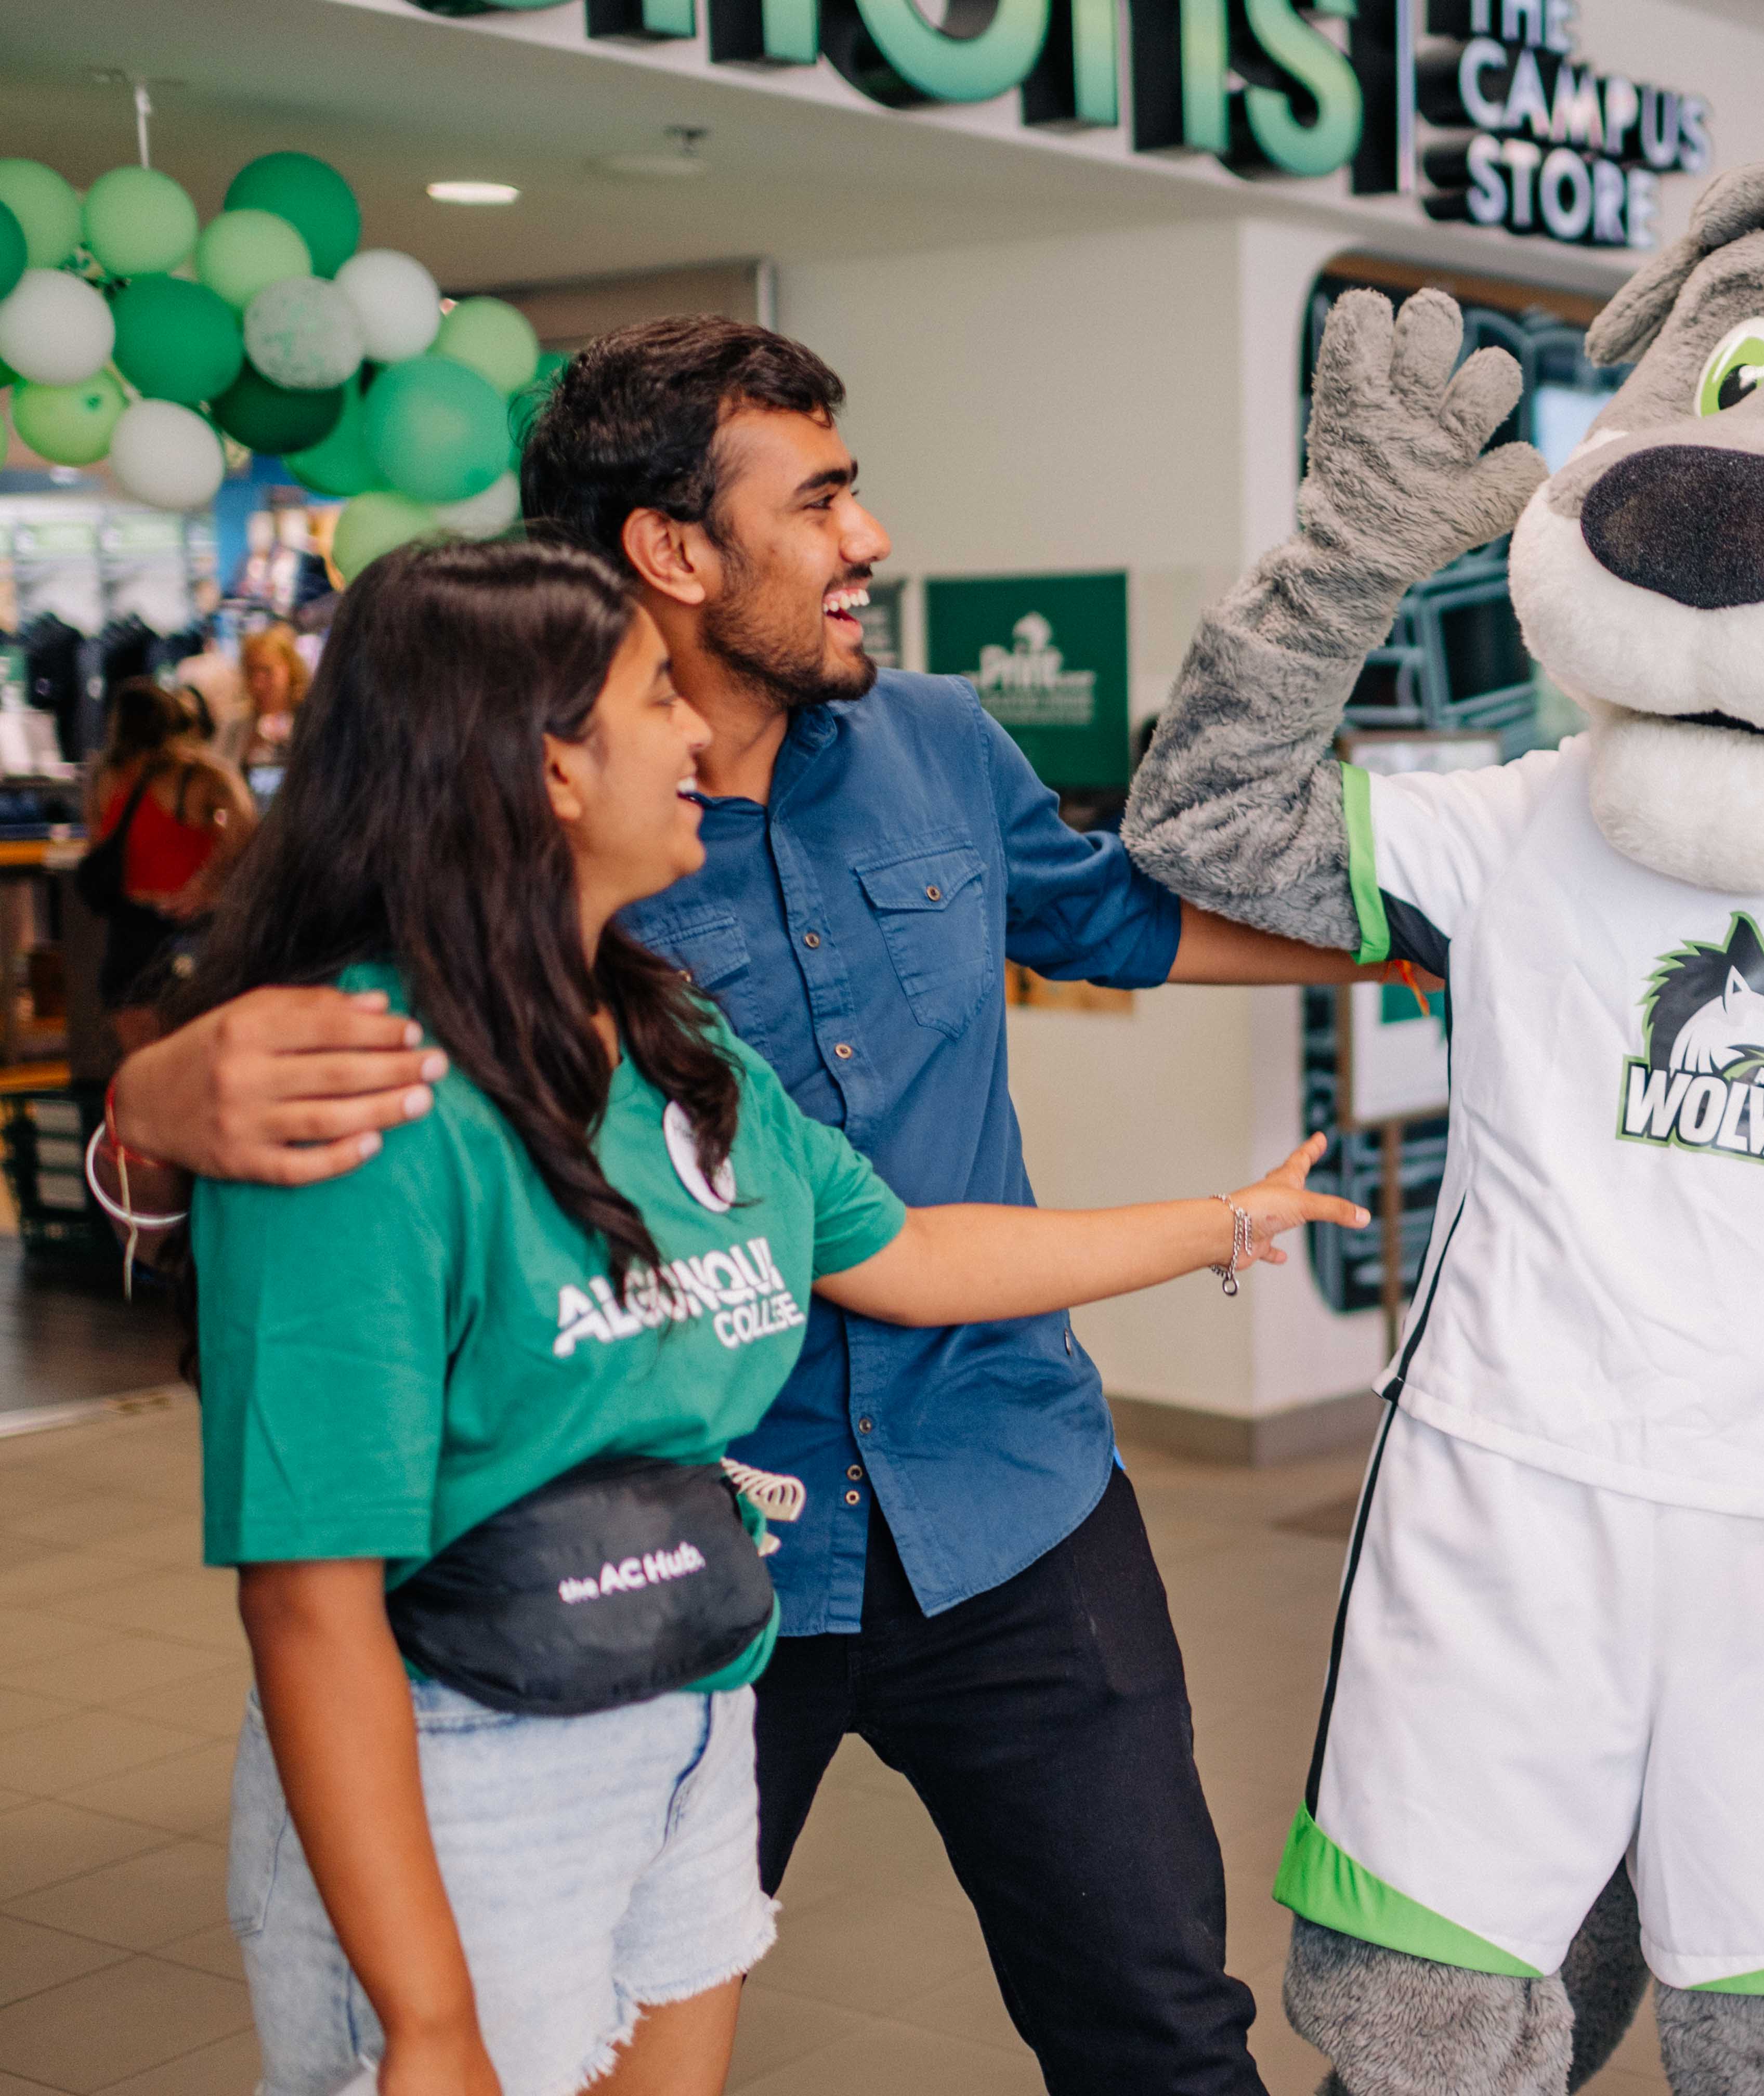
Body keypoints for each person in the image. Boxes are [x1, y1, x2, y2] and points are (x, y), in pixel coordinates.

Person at [110, 316, 1368, 2092]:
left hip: (1006, 1490)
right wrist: (140, 1101)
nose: (870, 542)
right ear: (674, 552)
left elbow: (1089, 958)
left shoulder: (917, 758)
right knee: (593, 2032)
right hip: (669, 1565)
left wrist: (1437, 940)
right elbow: (295, 1114)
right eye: (827, 499)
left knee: (1160, 2026)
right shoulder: (489, 887)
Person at [85, 675, 254, 1045]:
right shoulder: (200, 776)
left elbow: (97, 842)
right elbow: (247, 829)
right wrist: (210, 883)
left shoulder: (104, 778)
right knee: (193, 1052)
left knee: (140, 1059)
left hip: (128, 929)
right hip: (188, 924)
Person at [234, 621, 311, 788]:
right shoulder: (236, 727)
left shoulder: (311, 723)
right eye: (251, 671)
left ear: (290, 669)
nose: (258, 683)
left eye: (267, 671)